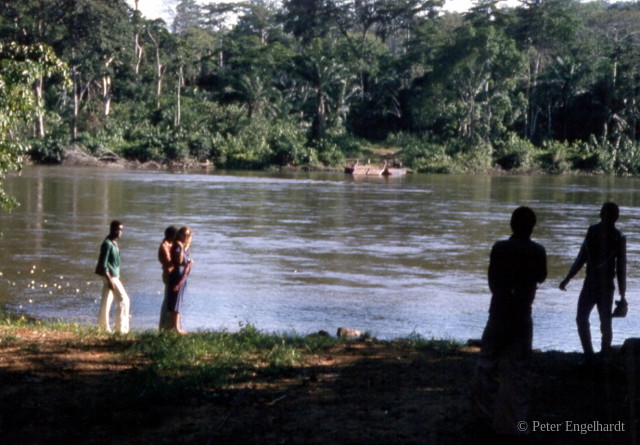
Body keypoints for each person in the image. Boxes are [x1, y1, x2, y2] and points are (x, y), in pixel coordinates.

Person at [473, 207, 547, 437]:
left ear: (511, 225)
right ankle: (515, 423)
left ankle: (483, 414)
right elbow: (542, 277)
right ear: (532, 226)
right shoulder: (537, 250)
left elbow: (492, 281)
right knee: (519, 369)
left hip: (499, 311)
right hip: (523, 314)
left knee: (487, 362)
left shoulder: (499, 248)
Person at [559, 202, 627, 363]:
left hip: (593, 284)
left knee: (585, 319)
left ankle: (591, 355)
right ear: (616, 217)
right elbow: (621, 268)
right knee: (603, 322)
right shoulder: (618, 237)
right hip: (603, 286)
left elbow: (581, 257)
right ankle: (601, 355)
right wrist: (623, 295)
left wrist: (568, 278)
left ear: (601, 214)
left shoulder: (596, 232)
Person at [95, 220, 130, 334]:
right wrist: (110, 279)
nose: (119, 232)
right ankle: (121, 329)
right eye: (117, 229)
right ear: (111, 229)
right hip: (109, 276)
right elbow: (103, 264)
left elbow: (114, 264)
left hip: (113, 276)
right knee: (124, 300)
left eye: (121, 230)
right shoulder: (107, 244)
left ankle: (102, 328)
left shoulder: (114, 243)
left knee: (106, 301)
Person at [166, 226, 193, 334]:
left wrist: (189, 260)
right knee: (175, 302)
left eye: (188, 235)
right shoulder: (178, 245)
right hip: (177, 276)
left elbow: (184, 261)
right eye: (184, 234)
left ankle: (175, 327)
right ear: (180, 234)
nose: (185, 237)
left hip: (182, 276)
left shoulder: (184, 247)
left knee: (178, 301)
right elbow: (178, 260)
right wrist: (182, 248)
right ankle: (175, 328)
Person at [158, 226, 178, 330]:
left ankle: (167, 325)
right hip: (168, 275)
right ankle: (164, 326)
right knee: (167, 301)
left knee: (169, 300)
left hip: (170, 274)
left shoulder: (169, 245)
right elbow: (169, 263)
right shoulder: (164, 247)